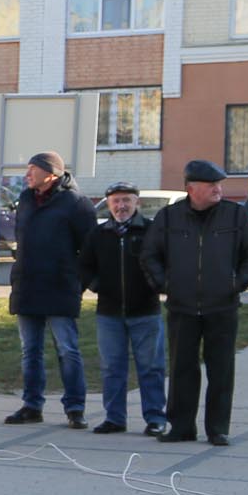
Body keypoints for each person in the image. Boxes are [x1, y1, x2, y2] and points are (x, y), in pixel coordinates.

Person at [142, 158, 248, 445]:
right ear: (191, 187)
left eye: (218, 184)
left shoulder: (235, 216)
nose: (217, 189)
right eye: (211, 185)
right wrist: (166, 285)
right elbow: (150, 255)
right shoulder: (169, 218)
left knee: (221, 370)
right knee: (182, 368)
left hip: (222, 307)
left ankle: (217, 428)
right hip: (182, 307)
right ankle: (181, 427)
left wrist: (236, 285)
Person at [7, 151, 93, 428]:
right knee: (29, 351)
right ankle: (32, 405)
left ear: (51, 173)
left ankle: (75, 408)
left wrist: (78, 283)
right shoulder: (26, 199)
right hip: (28, 286)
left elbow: (89, 250)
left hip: (60, 287)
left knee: (67, 350)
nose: (26, 175)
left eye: (32, 169)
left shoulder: (75, 203)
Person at [80, 181, 169, 438]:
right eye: (116, 201)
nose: (121, 206)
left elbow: (165, 263)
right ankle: (114, 418)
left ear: (137, 203)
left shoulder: (151, 231)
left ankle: (155, 418)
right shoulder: (98, 234)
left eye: (126, 200)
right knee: (112, 368)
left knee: (151, 367)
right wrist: (98, 286)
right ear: (108, 204)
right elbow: (84, 266)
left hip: (146, 312)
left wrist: (156, 285)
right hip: (109, 313)